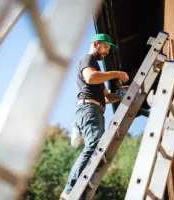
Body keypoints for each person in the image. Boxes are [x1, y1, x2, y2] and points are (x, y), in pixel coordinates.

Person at [60, 33, 129, 200]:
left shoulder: (96, 69)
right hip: (89, 108)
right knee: (94, 145)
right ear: (96, 43)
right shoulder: (88, 59)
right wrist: (117, 74)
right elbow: (90, 78)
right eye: (106, 47)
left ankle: (78, 189)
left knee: (97, 147)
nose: (107, 51)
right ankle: (69, 191)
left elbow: (106, 97)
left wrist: (121, 94)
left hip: (94, 109)